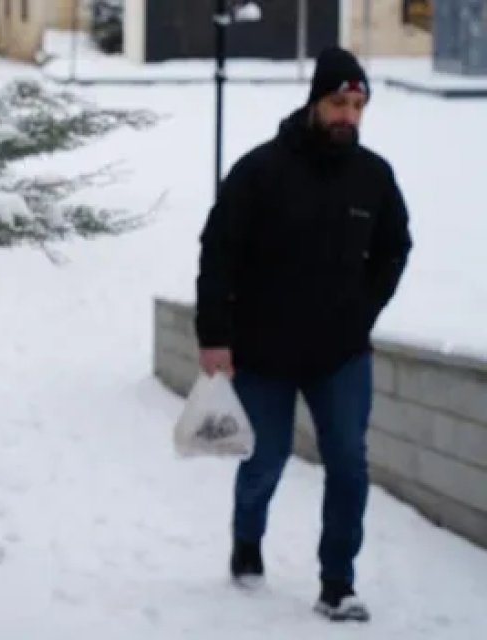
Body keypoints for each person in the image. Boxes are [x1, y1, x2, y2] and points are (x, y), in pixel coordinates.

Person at [193, 46, 412, 623]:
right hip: (264, 351)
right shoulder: (260, 172)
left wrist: (364, 309)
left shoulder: (374, 177)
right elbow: (218, 253)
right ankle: (247, 541)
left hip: (340, 354)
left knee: (349, 464)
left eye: (358, 105)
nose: (348, 115)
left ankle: (337, 582)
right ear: (315, 102)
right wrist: (216, 336)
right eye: (338, 102)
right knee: (265, 460)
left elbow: (395, 249)